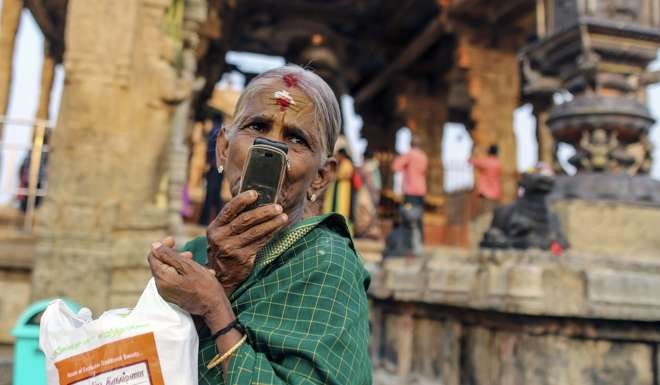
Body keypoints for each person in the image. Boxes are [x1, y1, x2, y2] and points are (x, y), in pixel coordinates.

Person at [146, 65, 371, 384]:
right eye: (257, 126)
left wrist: (215, 306)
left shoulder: (329, 265)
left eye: (296, 139)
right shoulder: (194, 255)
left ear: (321, 177)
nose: (270, 148)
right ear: (223, 147)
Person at [391, 135, 428, 245]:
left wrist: (404, 167)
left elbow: (395, 167)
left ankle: (409, 242)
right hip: (421, 190)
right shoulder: (423, 156)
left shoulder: (409, 155)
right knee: (419, 216)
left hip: (410, 191)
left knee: (408, 215)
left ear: (410, 144)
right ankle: (420, 240)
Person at [322, 147, 355, 223]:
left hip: (343, 189)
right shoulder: (339, 163)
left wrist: (335, 175)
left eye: (338, 155)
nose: (337, 157)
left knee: (341, 208)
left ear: (342, 155)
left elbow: (346, 174)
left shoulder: (347, 163)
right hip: (337, 188)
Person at [470, 144, 502, 215]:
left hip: (485, 192)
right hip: (496, 192)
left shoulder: (486, 162)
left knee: (484, 214)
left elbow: (471, 161)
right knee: (492, 213)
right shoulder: (498, 163)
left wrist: (474, 151)